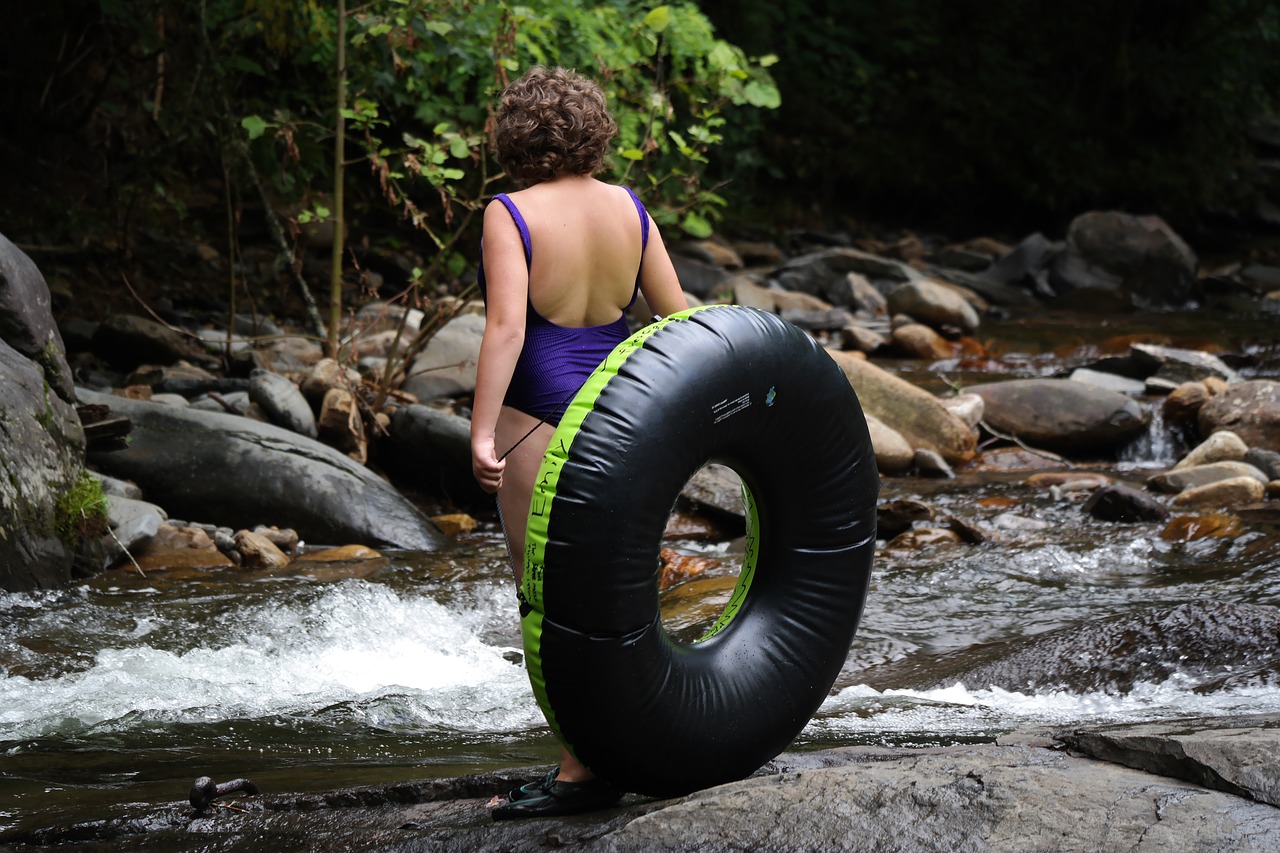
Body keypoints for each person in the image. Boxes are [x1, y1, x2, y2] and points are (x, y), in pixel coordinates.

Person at [469, 66, 688, 819]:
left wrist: (480, 430)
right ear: (594, 129)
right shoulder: (629, 208)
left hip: (539, 420)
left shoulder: (509, 212)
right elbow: (676, 321)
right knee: (620, 598)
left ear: (515, 135)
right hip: (627, 424)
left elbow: (505, 329)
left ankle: (577, 772)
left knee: (550, 602)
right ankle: (624, 746)